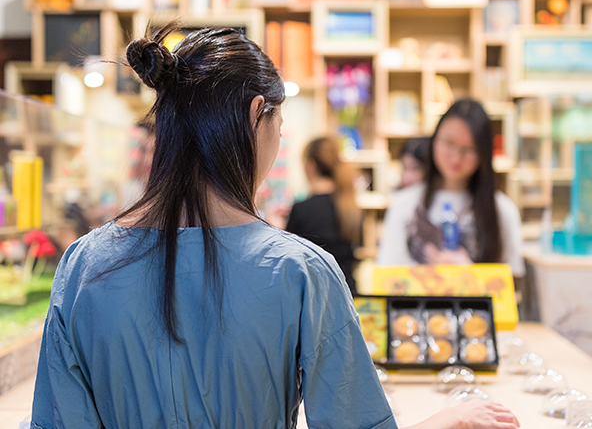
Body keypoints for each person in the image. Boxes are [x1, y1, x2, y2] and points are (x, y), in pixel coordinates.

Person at [31, 25, 519, 429]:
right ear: (254, 116)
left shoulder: (81, 266)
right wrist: (442, 422)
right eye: (278, 127)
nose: (279, 141)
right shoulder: (302, 273)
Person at [378, 99, 525, 280]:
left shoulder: (502, 209)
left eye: (468, 149)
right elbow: (386, 276)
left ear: (483, 153)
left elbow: (513, 284)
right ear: (434, 141)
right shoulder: (404, 204)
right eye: (448, 144)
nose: (456, 157)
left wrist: (471, 274)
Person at [286, 137, 360, 294]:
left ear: (310, 166)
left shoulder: (302, 208)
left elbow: (290, 257)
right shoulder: (349, 206)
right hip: (348, 292)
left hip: (316, 295)